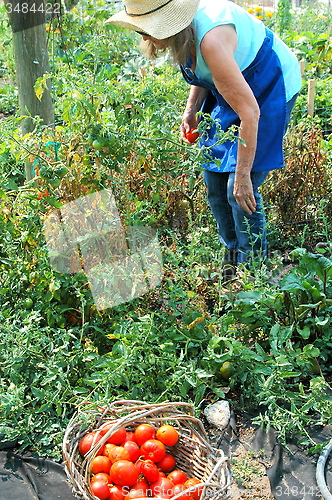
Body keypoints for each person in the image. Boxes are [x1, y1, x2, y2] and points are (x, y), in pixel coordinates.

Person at [107, 0, 302, 274]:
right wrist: (191, 111)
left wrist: (244, 175)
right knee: (214, 181)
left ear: (168, 24)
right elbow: (203, 73)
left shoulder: (211, 39)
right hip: (233, 84)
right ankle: (233, 256)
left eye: (147, 28)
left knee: (239, 190)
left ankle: (253, 273)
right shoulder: (184, 35)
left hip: (268, 82)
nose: (143, 35)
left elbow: (250, 112)